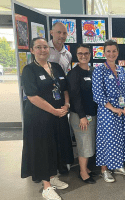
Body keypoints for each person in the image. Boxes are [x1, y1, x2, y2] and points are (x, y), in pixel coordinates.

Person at [21, 37, 73, 200]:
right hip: (39, 117)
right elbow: (32, 96)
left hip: (58, 115)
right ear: (32, 50)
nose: (43, 50)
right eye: (38, 47)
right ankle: (46, 187)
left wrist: (66, 105)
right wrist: (54, 111)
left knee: (56, 147)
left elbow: (64, 89)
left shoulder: (56, 67)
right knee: (44, 149)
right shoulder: (29, 70)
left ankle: (52, 177)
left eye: (45, 47)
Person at [92, 40, 125, 183]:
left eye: (114, 51)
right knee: (107, 140)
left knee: (120, 138)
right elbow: (98, 94)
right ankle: (104, 170)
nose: (111, 54)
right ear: (104, 53)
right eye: (108, 51)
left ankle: (118, 166)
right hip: (107, 111)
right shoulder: (99, 70)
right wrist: (114, 108)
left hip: (123, 110)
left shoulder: (121, 69)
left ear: (118, 52)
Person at [67, 44, 98, 184]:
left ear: (90, 55)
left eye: (86, 53)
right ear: (76, 55)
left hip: (92, 114)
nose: (83, 56)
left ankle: (86, 167)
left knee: (89, 142)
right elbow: (75, 97)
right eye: (80, 53)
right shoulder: (74, 73)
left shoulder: (92, 71)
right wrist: (82, 116)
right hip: (81, 116)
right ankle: (83, 172)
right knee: (84, 143)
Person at [49, 21, 73, 174]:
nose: (62, 36)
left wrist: (66, 103)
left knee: (62, 134)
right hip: (47, 99)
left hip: (61, 99)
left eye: (64, 33)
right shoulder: (45, 50)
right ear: (52, 32)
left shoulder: (68, 54)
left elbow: (65, 81)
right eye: (58, 32)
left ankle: (62, 164)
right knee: (48, 135)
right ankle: (49, 168)